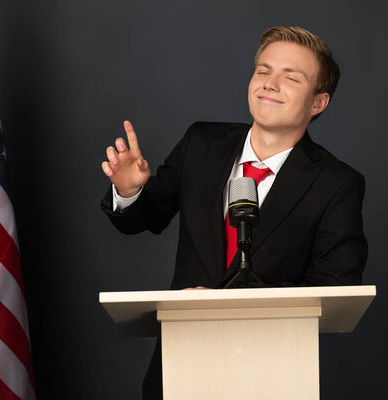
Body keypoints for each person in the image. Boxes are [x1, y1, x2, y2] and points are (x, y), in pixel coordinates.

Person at [100, 25, 368, 400]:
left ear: (318, 103)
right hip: (179, 368)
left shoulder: (336, 183)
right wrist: (129, 191)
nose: (269, 84)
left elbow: (337, 286)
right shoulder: (201, 143)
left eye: (290, 77)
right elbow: (146, 217)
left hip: (275, 375)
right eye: (263, 71)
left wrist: (232, 304)